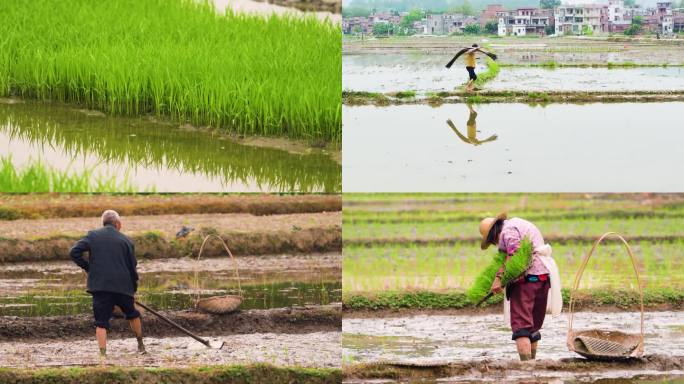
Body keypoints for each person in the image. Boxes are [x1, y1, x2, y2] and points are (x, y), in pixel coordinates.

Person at [479, 213, 561, 361]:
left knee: (521, 327)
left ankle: (526, 367)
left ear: (493, 234)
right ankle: (532, 364)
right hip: (542, 277)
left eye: (492, 241)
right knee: (533, 326)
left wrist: (498, 279)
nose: (495, 244)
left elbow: (515, 255)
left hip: (526, 281)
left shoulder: (507, 231)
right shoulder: (518, 223)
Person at [70, 210, 146, 356]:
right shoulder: (126, 241)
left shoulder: (93, 236)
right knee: (133, 314)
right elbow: (132, 267)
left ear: (103, 223)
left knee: (101, 322)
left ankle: (103, 355)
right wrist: (132, 289)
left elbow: (74, 252)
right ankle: (141, 346)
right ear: (118, 224)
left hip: (101, 287)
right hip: (123, 287)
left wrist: (89, 268)